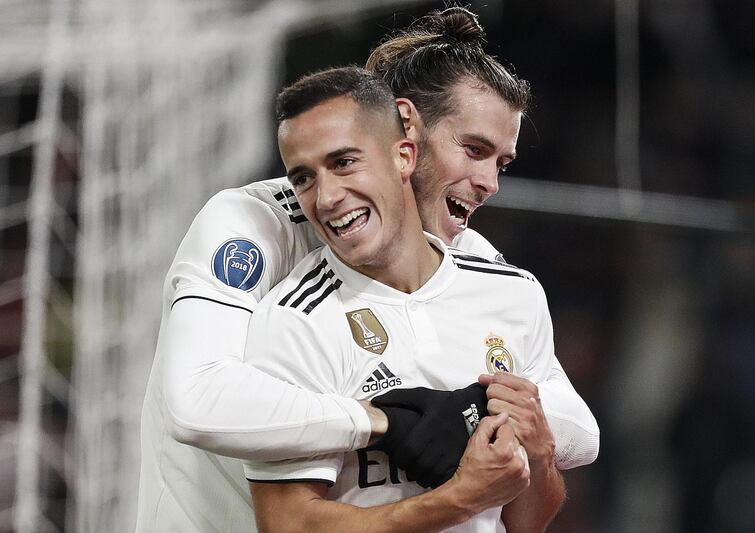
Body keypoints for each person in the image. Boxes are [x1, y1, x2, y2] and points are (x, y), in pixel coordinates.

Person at [136, 6, 598, 532]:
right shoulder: (254, 226)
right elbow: (194, 401)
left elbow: (577, 430)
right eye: (472, 150)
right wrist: (385, 420)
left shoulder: (482, 268)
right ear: (406, 132)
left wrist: (479, 415)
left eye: (502, 163)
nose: (490, 182)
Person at [243, 65, 563, 533]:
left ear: (404, 157)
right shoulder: (294, 321)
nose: (327, 197)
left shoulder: (515, 294)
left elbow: (526, 522)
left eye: (344, 162)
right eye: (304, 178)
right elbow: (288, 524)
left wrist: (540, 451)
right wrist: (459, 498)